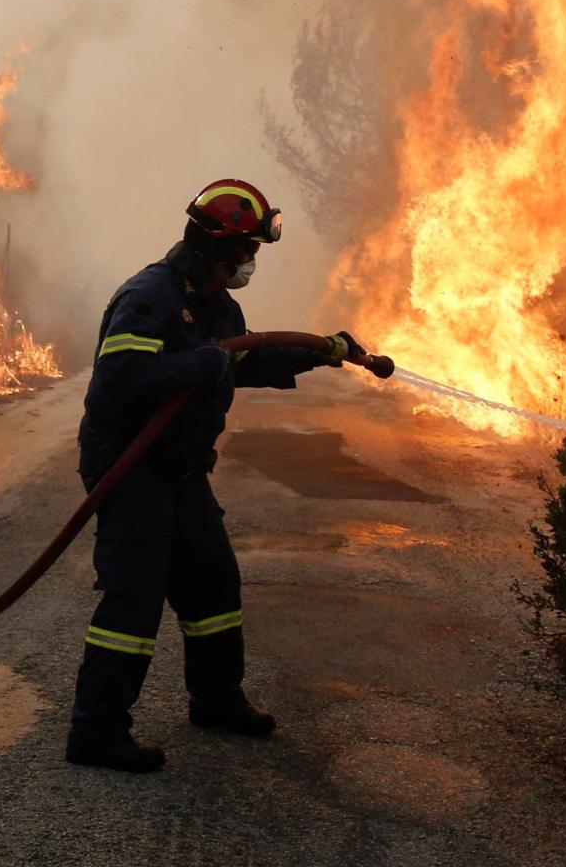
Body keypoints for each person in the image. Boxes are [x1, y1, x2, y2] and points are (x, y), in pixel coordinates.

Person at [65, 178, 365, 772]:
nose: (252, 262)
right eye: (248, 250)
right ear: (216, 249)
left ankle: (217, 701)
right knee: (134, 598)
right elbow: (118, 381)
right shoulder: (149, 297)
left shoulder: (216, 302)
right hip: (132, 469)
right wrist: (196, 363)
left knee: (212, 585)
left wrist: (321, 351)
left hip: (181, 470)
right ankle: (96, 733)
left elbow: (246, 359)